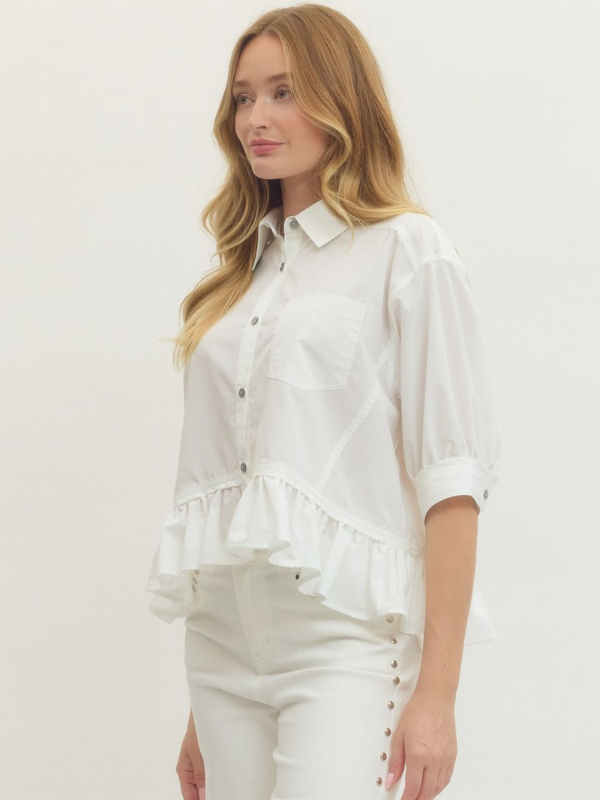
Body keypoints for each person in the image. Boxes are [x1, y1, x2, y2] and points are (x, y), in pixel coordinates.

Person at [145, 4, 502, 799]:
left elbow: (452, 480)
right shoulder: (240, 276)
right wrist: (200, 712)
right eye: (243, 97)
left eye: (283, 92)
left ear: (342, 100)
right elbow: (241, 487)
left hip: (345, 644)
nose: (255, 118)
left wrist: (437, 694)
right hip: (221, 647)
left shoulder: (408, 250)